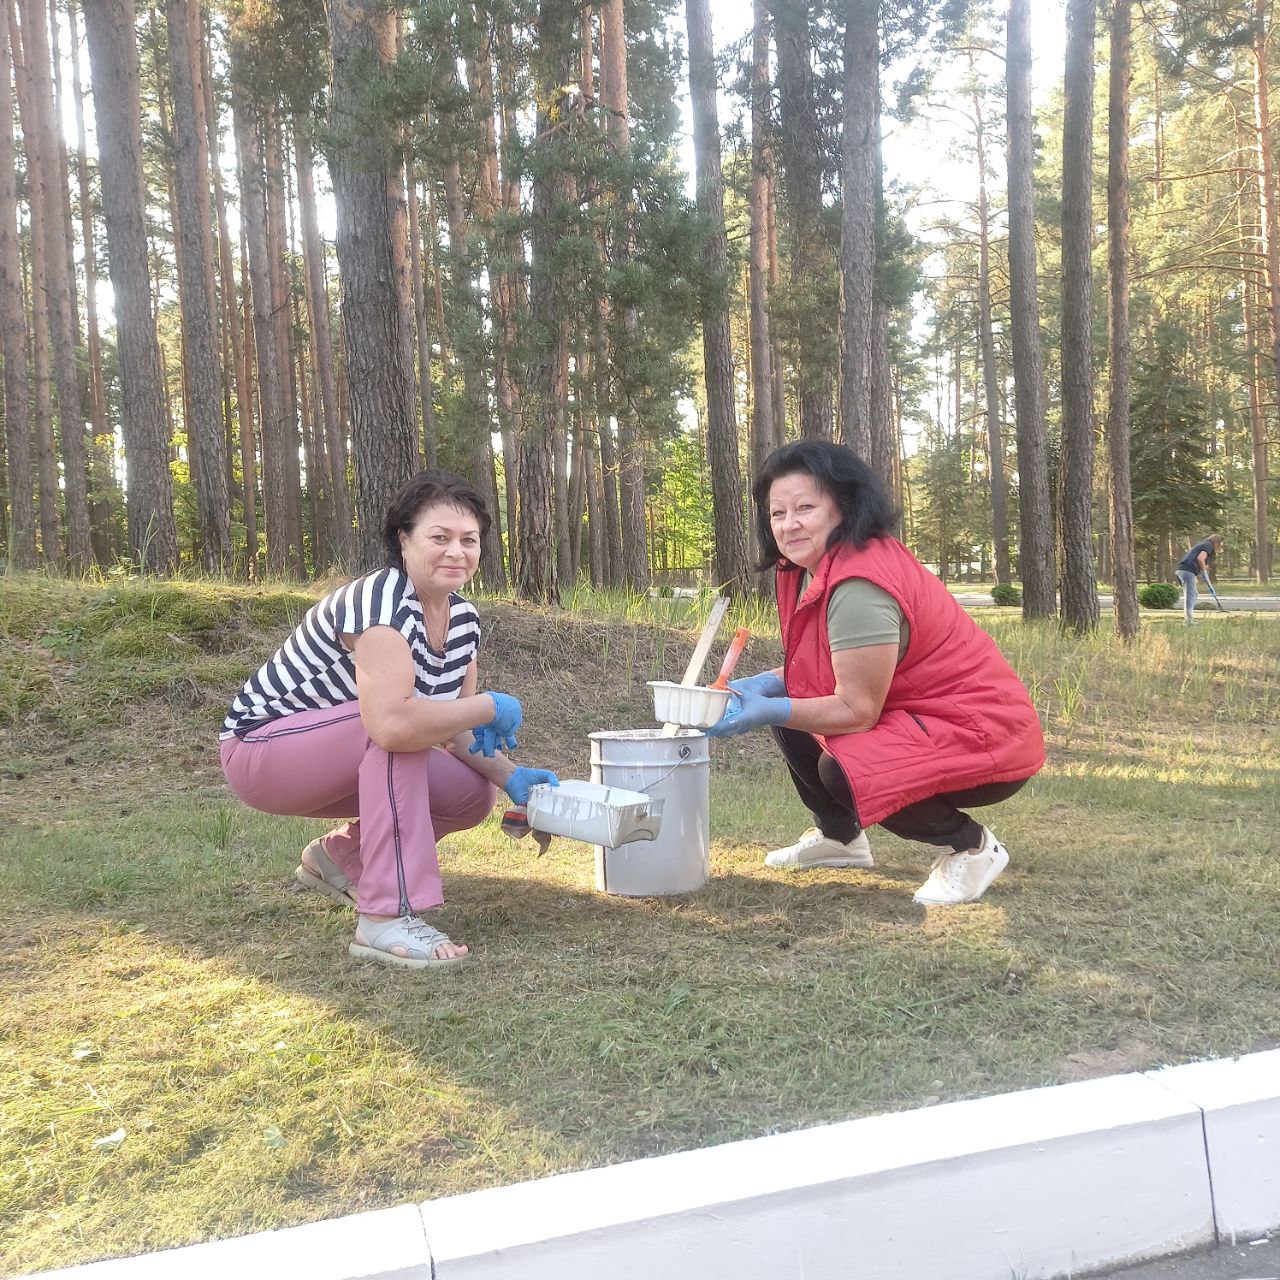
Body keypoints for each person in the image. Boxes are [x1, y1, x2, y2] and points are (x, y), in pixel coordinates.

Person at [219, 469, 558, 968]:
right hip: (262, 751)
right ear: (404, 539)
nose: (456, 551)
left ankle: (341, 857)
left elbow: (452, 729)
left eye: (469, 540)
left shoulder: (464, 619)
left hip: (348, 750)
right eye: (439, 537)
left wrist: (512, 778)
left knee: (470, 793)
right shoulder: (379, 600)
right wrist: (490, 705)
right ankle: (383, 917)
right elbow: (392, 726)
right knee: (397, 735)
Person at [706, 441, 1045, 906]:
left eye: (805, 508)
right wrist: (770, 684)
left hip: (985, 734)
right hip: (924, 719)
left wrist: (771, 707)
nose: (788, 524)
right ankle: (840, 840)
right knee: (792, 710)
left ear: (845, 506)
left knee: (845, 768)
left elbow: (857, 709)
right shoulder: (808, 568)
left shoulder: (860, 584)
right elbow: (829, 670)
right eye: (777, 513)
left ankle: (972, 847)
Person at [1175, 534, 1224, 624]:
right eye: (1221, 543)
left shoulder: (1204, 545)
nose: (1222, 545)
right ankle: (1189, 622)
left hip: (1184, 570)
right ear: (1217, 542)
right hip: (1187, 571)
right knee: (1190, 596)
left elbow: (1199, 561)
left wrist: (1204, 568)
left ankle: (1189, 620)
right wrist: (1204, 572)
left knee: (1194, 594)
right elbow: (1200, 559)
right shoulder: (1208, 546)